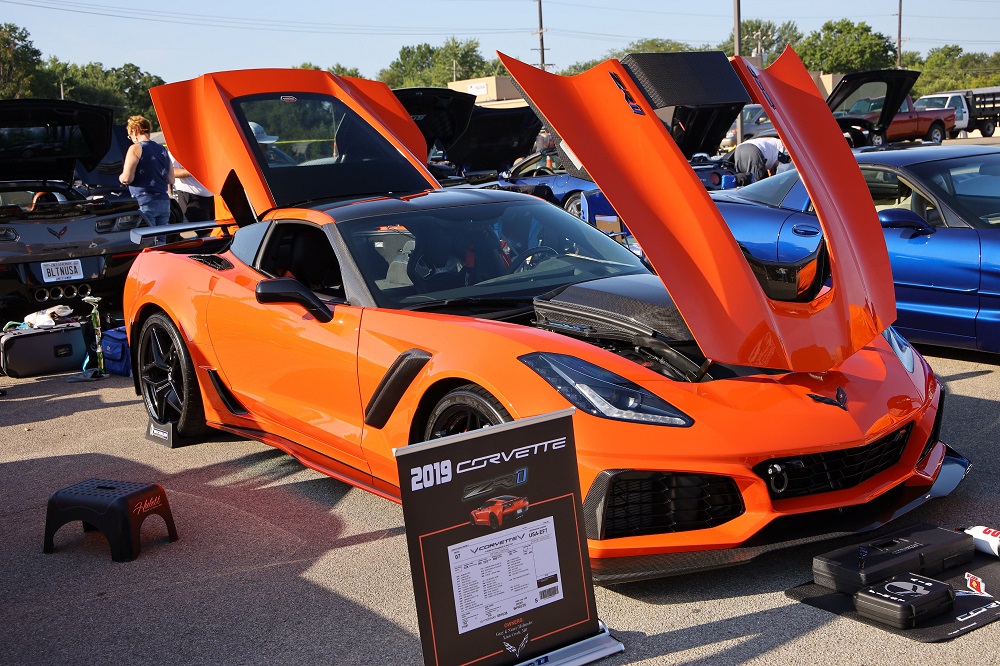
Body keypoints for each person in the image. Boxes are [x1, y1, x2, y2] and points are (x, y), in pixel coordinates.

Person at [119, 116, 173, 230]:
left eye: (130, 136)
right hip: (164, 201)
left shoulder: (135, 148)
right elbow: (171, 180)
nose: (131, 139)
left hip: (144, 201)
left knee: (148, 240)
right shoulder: (162, 149)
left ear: (134, 131)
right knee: (161, 239)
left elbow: (127, 178)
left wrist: (120, 177)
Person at [168, 151, 214, 222]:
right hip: (192, 195)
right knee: (205, 230)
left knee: (217, 228)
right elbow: (172, 172)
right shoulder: (175, 150)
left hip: (212, 195)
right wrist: (193, 171)